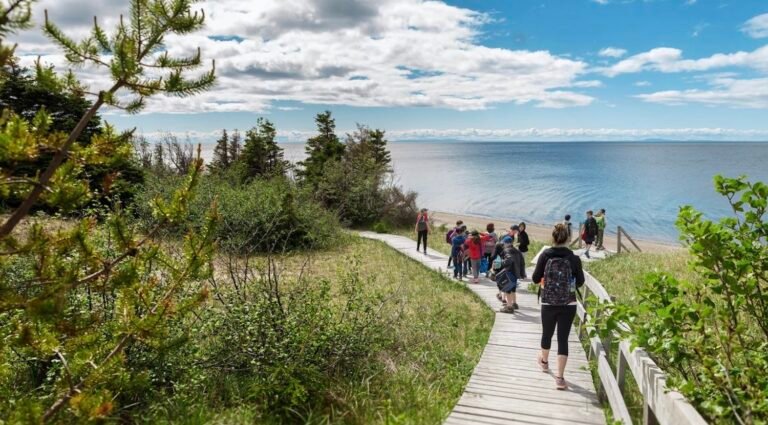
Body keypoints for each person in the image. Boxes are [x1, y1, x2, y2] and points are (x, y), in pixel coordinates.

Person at [532, 223, 585, 390]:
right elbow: (581, 282)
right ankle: (560, 378)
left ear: (553, 237)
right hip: (568, 303)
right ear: (568, 238)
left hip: (548, 302)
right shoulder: (574, 258)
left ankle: (545, 362)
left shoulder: (545, 255)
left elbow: (534, 278)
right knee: (563, 339)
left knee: (546, 334)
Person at [498, 237, 526, 314]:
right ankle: (514, 303)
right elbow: (522, 263)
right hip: (516, 272)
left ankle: (509, 307)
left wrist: (502, 262)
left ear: (506, 243)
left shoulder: (507, 251)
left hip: (509, 272)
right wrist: (522, 273)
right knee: (513, 289)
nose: (503, 245)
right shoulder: (517, 251)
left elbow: (508, 260)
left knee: (508, 289)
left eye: (504, 243)